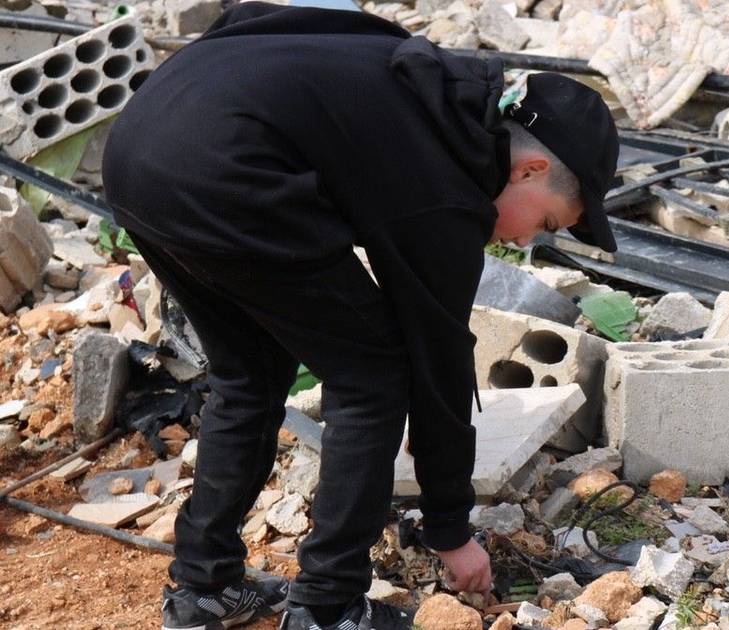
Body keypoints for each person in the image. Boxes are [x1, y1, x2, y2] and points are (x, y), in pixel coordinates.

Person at [100, 2, 619, 628]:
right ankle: (326, 607)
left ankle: (202, 587)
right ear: (530, 168)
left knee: (250, 372)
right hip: (224, 170)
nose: (525, 243)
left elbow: (250, 19)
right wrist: (450, 527)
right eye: (545, 223)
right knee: (371, 379)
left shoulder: (415, 74)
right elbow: (438, 361)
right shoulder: (448, 193)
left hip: (137, 149)